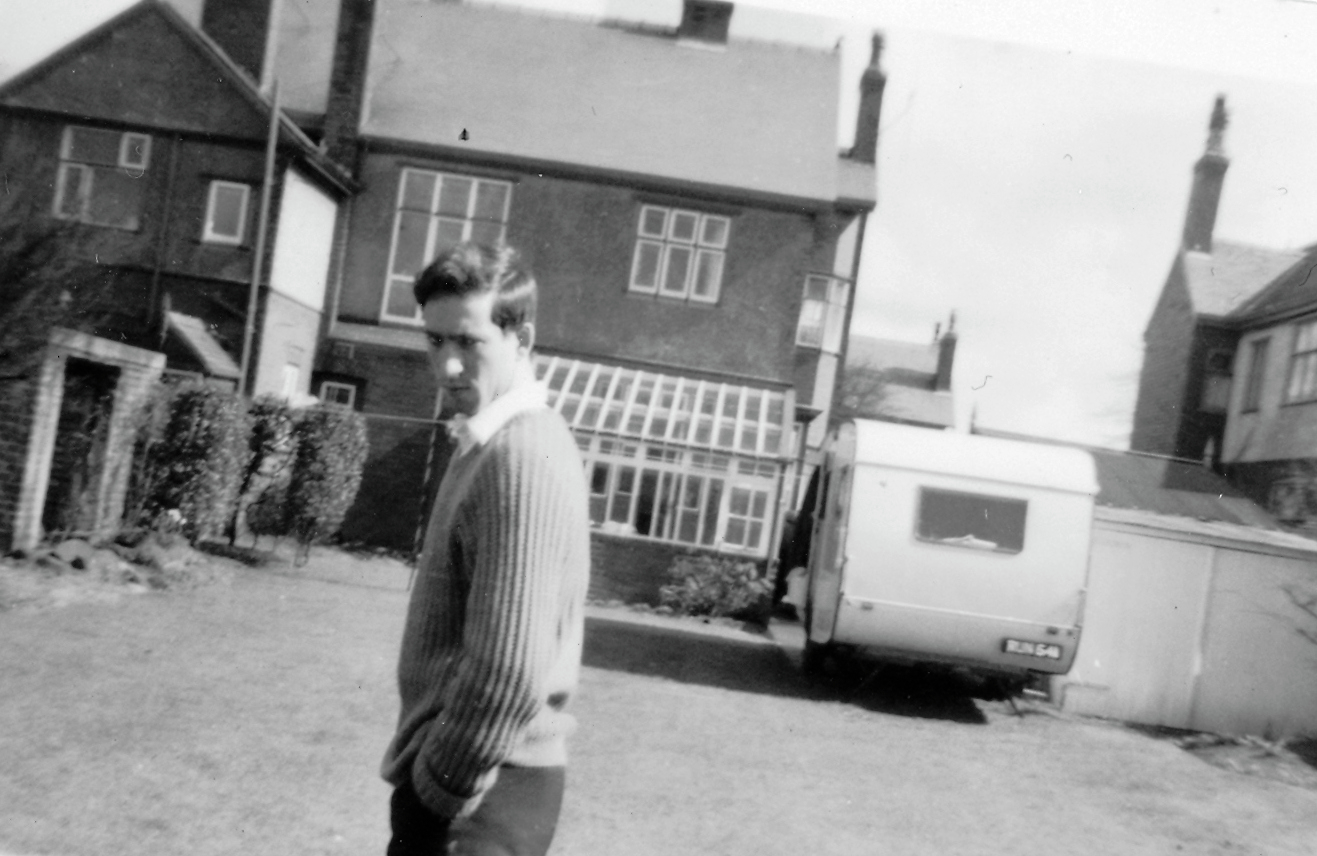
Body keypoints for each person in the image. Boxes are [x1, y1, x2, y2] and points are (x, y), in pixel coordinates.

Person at [381, 243, 590, 856]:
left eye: (468, 344)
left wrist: (437, 789)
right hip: (479, 787)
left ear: (521, 340)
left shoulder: (519, 455)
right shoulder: (488, 442)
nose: (447, 366)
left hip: (481, 797)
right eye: (434, 342)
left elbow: (509, 670)